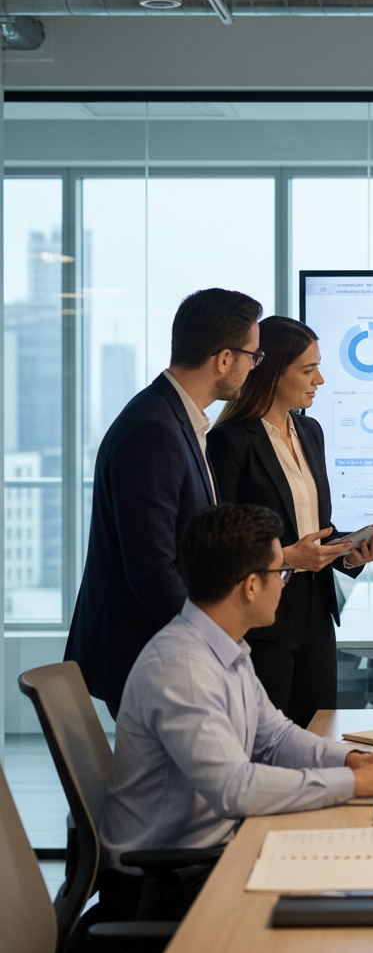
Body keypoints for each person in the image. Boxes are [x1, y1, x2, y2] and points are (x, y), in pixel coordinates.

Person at [97, 503, 373, 922]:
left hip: (214, 853)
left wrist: (351, 759)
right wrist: (353, 782)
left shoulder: (223, 646)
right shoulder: (183, 669)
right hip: (164, 880)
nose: (285, 584)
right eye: (281, 573)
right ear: (251, 586)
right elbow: (235, 788)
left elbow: (274, 738)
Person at [65, 287, 264, 716]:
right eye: (253, 356)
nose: (254, 367)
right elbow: (153, 568)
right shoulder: (153, 429)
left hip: (163, 648)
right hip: (151, 655)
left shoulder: (172, 417)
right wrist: (211, 641)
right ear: (224, 358)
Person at [207, 316, 373, 727]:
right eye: (309, 370)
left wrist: (353, 552)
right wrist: (288, 556)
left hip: (316, 616)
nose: (321, 380)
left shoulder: (310, 431)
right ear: (273, 372)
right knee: (267, 741)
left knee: (318, 734)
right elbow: (219, 544)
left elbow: (315, 527)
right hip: (263, 622)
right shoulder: (230, 441)